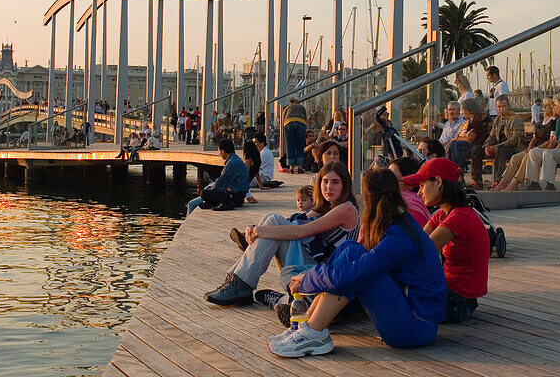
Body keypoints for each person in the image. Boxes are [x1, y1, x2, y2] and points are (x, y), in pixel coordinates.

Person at [268, 168, 445, 357]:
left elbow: (356, 273)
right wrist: (312, 276)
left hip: (414, 329)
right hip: (412, 320)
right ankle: (308, 325)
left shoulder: (400, 237)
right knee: (350, 249)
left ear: (368, 199)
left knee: (353, 267)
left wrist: (308, 279)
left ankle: (313, 332)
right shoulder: (400, 224)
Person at [204, 162, 359, 307]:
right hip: (313, 262)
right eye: (325, 182)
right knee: (272, 219)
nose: (329, 187)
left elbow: (301, 232)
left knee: (274, 227)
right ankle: (238, 282)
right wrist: (255, 228)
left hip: (327, 273)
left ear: (344, 185)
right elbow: (293, 221)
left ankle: (268, 295)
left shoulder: (346, 209)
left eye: (335, 182)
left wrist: (258, 231)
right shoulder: (325, 207)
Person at [404, 158, 489, 323]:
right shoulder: (443, 214)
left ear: (437, 182)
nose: (419, 193)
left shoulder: (459, 218)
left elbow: (419, 252)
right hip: (453, 294)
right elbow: (415, 242)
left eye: (421, 186)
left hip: (458, 302)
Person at [493, 97, 556, 191]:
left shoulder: (554, 121)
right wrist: (530, 147)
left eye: (547, 106)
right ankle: (503, 182)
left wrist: (535, 149)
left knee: (527, 157)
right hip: (535, 149)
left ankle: (515, 183)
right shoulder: (542, 121)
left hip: (542, 150)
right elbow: (534, 138)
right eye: (544, 106)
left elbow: (551, 141)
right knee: (515, 158)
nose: (544, 108)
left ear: (552, 108)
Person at [186, 138, 249, 215]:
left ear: (223, 151)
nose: (219, 153)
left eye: (219, 151)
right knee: (208, 191)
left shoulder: (232, 163)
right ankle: (212, 200)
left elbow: (220, 184)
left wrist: (209, 188)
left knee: (204, 194)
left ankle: (225, 203)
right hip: (237, 195)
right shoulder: (235, 160)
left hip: (234, 197)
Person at [478, 94, 524, 187]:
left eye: (504, 106)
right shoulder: (497, 119)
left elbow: (515, 139)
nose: (501, 109)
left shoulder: (516, 119)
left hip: (513, 148)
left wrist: (495, 147)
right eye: (499, 107)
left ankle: (499, 181)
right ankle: (476, 181)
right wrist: (487, 146)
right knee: (476, 150)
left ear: (508, 106)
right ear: (496, 107)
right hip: (499, 147)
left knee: (501, 150)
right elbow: (492, 136)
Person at [446, 97, 491, 187]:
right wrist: (458, 138)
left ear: (467, 110)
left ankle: (459, 177)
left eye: (462, 110)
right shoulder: (470, 121)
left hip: (480, 146)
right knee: (452, 145)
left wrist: (457, 138)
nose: (462, 113)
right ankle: (453, 176)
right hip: (471, 146)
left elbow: (470, 139)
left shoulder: (479, 120)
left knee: (457, 144)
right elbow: (467, 137)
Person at [388, 156, 432, 228]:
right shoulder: (418, 204)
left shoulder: (407, 206)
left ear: (410, 184)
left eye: (393, 179)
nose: (388, 181)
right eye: (387, 176)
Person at [282, 98, 308, 174]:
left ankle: (291, 167)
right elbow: (305, 118)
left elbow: (283, 118)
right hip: (301, 123)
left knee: (290, 145)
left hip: (289, 123)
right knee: (300, 144)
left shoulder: (287, 108)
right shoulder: (301, 107)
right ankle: (300, 167)